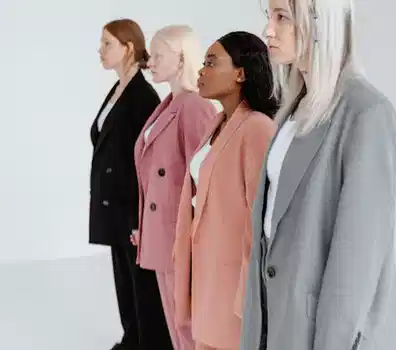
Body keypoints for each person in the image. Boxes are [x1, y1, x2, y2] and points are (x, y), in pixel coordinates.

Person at [239, 0, 396, 349]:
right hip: (276, 326)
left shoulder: (366, 113)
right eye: (269, 16)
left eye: (282, 17)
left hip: (319, 335)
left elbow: (357, 260)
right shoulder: (293, 111)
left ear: (319, 22)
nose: (269, 30)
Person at [172, 31, 278, 350]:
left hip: (233, 283)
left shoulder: (258, 128)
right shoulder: (216, 124)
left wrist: (247, 296)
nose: (201, 71)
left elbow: (258, 220)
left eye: (211, 62)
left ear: (240, 73)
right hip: (207, 271)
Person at [88, 18, 172, 350]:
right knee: (123, 277)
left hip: (131, 204)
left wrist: (141, 215)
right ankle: (132, 339)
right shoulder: (119, 88)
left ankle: (149, 343)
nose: (100, 50)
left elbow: (150, 161)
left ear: (128, 48)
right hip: (114, 201)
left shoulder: (142, 95)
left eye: (107, 43)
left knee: (141, 282)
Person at [132, 24, 216, 350]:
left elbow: (203, 177)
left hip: (182, 238)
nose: (149, 61)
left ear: (181, 59)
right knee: (177, 327)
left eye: (158, 55)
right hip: (163, 234)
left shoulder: (194, 106)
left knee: (190, 328)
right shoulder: (168, 103)